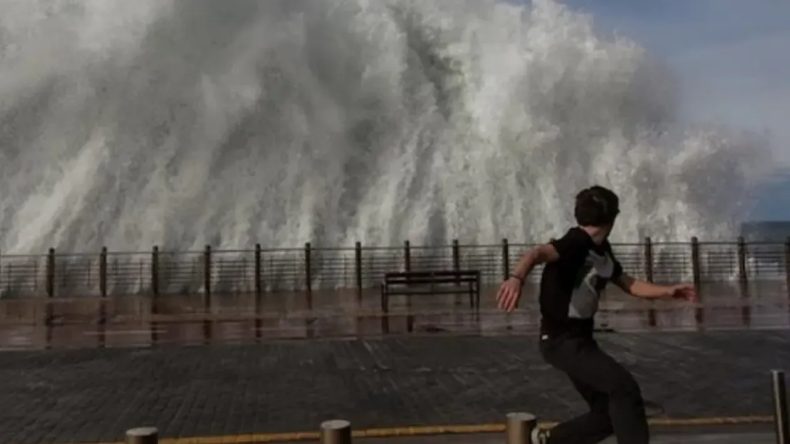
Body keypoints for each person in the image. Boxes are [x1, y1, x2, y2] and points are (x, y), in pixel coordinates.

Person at [495, 185, 697, 444]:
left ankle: (549, 440)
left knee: (607, 413)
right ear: (612, 218)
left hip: (581, 341)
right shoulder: (576, 242)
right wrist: (516, 278)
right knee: (624, 390)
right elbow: (538, 253)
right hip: (562, 341)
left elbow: (627, 282)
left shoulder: (602, 249)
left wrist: (667, 291)